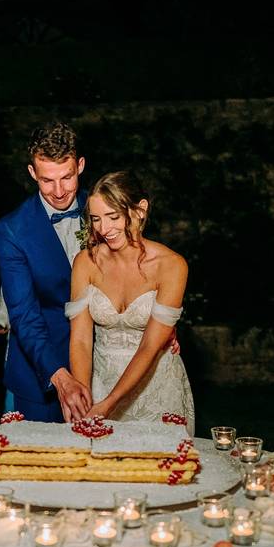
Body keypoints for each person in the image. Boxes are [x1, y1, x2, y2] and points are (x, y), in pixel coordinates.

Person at [66, 171, 195, 435]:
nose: (104, 229)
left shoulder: (171, 266)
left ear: (140, 210)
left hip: (156, 388)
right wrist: (83, 395)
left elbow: (150, 345)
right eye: (96, 219)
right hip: (100, 382)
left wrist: (110, 404)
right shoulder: (85, 263)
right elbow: (80, 339)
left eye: (113, 217)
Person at [0, 121, 93, 423]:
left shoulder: (103, 210)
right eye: (48, 181)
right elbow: (23, 313)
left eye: (67, 177)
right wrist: (59, 376)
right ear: (32, 173)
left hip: (105, 362)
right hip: (41, 370)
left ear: (80, 165)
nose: (59, 191)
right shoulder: (12, 229)